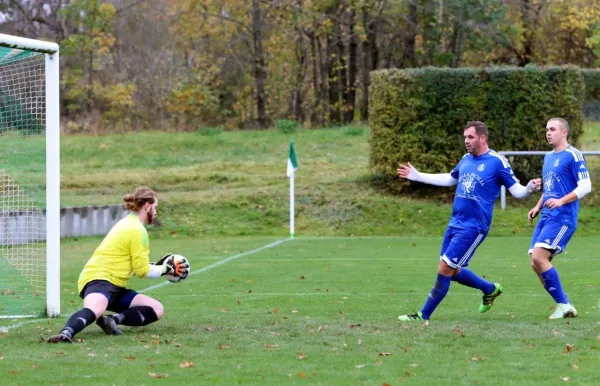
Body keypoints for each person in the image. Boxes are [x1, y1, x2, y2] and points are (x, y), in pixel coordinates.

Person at [396, 121, 541, 323]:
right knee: (451, 270)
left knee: (445, 268)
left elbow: (517, 191)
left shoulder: (497, 161)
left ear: (482, 138)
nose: (466, 141)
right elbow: (450, 179)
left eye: (470, 137)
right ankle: (490, 289)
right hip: (455, 222)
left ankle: (423, 315)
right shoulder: (465, 159)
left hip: (474, 226)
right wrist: (418, 176)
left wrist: (529, 188)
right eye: (464, 137)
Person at [48, 186, 189, 343]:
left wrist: (159, 266)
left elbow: (136, 266)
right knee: (95, 309)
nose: (155, 212)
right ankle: (65, 333)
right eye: (155, 207)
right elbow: (142, 271)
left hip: (115, 285)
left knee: (156, 309)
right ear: (147, 206)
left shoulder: (129, 223)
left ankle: (112, 320)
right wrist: (166, 269)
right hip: (99, 279)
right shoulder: (137, 230)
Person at [527, 118, 591, 319]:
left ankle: (564, 305)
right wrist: (537, 206)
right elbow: (549, 188)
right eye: (546, 129)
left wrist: (562, 201)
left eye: (552, 129)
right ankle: (563, 305)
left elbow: (585, 186)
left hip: (563, 217)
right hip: (546, 216)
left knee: (539, 257)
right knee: (535, 263)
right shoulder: (548, 157)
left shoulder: (573, 155)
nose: (548, 133)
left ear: (564, 133)